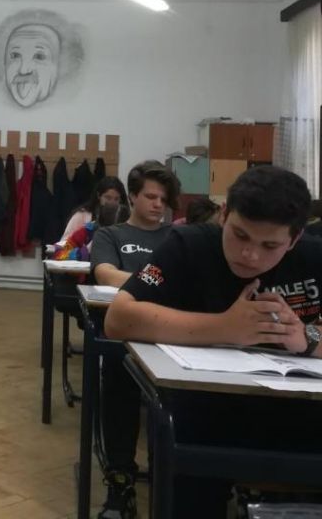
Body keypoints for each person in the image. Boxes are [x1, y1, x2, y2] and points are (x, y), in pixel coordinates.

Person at [105, 165, 322, 518]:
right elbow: (119, 318)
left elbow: (311, 339)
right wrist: (224, 328)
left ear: (295, 239)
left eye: (270, 245)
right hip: (203, 411)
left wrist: (308, 339)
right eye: (240, 235)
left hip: (299, 413)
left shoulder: (314, 257)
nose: (250, 255)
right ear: (223, 215)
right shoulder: (187, 246)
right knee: (188, 477)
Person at [91, 159, 180, 519]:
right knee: (117, 380)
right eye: (151, 197)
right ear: (132, 196)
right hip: (126, 333)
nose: (159, 205)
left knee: (176, 402)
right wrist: (159, 283)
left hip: (172, 336)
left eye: (164, 199)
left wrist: (139, 283)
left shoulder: (177, 237)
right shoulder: (111, 235)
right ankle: (120, 480)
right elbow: (105, 274)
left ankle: (169, 476)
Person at [59, 175, 128, 241]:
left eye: (116, 199)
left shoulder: (124, 218)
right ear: (99, 196)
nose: (112, 203)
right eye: (108, 198)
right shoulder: (81, 216)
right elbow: (64, 244)